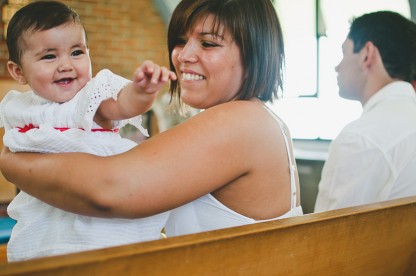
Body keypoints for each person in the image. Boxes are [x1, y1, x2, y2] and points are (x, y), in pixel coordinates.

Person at [0, 0, 303, 240]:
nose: (183, 55)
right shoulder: (255, 118)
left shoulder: (241, 120)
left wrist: (11, 162)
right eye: (181, 41)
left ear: (255, 53)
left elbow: (109, 189)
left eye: (208, 44)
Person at [1, 1, 176, 261]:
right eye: (49, 56)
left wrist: (142, 92)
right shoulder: (18, 107)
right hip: (45, 218)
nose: (66, 65)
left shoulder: (90, 99)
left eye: (76, 52)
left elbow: (121, 105)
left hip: (102, 221)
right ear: (18, 71)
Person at [314, 11, 416, 212]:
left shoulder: (359, 139)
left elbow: (325, 237)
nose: (337, 66)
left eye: (344, 52)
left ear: (367, 54)